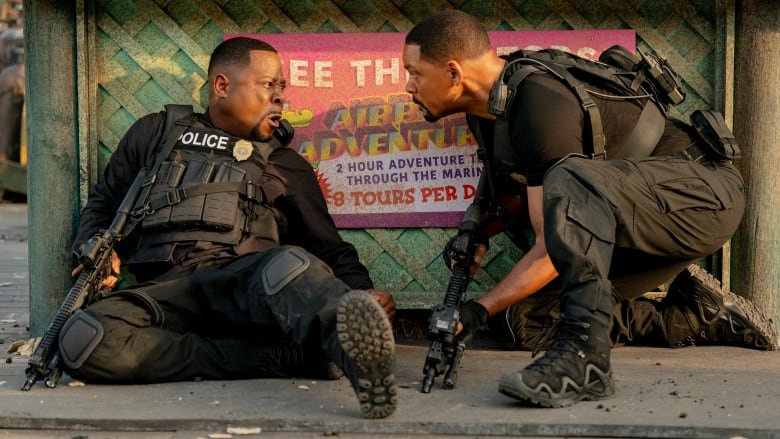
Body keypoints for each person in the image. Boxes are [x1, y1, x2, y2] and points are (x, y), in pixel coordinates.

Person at [402, 10, 776, 408]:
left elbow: (552, 240)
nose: (408, 86)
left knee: (570, 179)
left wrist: (476, 310)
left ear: (454, 73)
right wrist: (476, 235)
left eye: (415, 72)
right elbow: (518, 200)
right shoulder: (489, 111)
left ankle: (585, 362)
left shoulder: (537, 101)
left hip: (701, 197)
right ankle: (698, 315)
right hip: (635, 221)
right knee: (522, 321)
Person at [59, 37, 398, 419]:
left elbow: (329, 248)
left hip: (247, 290)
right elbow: (104, 202)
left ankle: (359, 359)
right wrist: (94, 247)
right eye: (268, 85)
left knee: (289, 265)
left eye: (282, 88)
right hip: (167, 294)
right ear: (222, 86)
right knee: (83, 340)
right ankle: (275, 359)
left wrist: (363, 294)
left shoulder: (285, 163)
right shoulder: (157, 132)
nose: (280, 98)